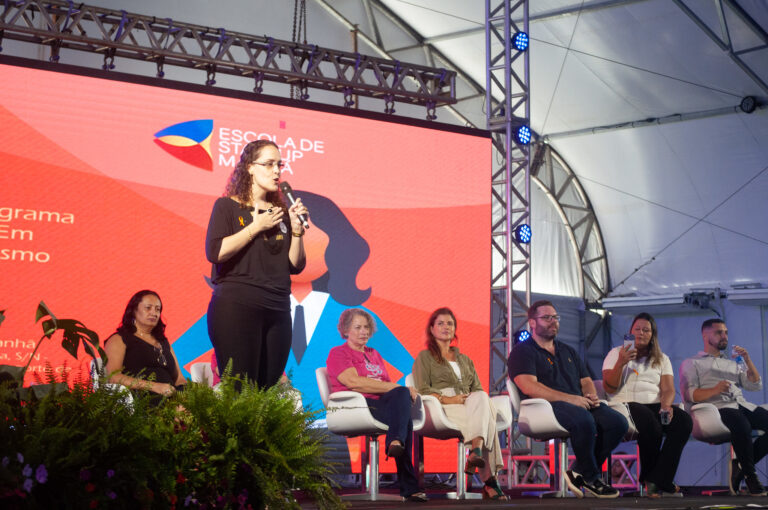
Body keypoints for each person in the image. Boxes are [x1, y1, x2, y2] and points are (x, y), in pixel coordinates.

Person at [205, 139, 308, 389]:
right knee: (240, 388)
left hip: (277, 308)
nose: (276, 171)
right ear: (250, 167)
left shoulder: (281, 213)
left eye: (279, 165)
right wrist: (255, 228)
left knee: (268, 387)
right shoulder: (227, 206)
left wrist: (296, 232)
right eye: (269, 164)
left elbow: (295, 265)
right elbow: (215, 252)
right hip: (237, 305)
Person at [508, 300, 627, 498]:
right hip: (545, 408)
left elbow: (586, 380)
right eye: (547, 317)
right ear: (532, 323)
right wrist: (572, 399)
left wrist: (590, 395)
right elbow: (529, 386)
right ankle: (591, 478)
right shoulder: (523, 351)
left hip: (577, 404)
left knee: (617, 423)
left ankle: (579, 471)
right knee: (584, 420)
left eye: (556, 317)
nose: (553, 321)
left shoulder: (567, 350)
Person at [325, 309, 427, 503]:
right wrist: (398, 388)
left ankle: (395, 443)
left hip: (380, 405)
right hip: (355, 406)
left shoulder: (374, 354)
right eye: (358, 327)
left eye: (366, 327)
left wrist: (399, 391)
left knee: (402, 400)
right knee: (404, 416)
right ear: (345, 330)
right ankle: (409, 485)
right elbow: (354, 383)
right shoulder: (338, 353)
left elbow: (387, 388)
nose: (364, 331)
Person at [412, 307, 507, 500]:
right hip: (439, 407)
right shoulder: (425, 357)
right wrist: (449, 399)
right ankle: (489, 480)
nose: (446, 327)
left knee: (481, 398)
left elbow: (478, 389)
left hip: (469, 403)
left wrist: (469, 399)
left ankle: (475, 452)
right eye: (440, 323)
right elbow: (422, 389)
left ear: (455, 329)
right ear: (431, 329)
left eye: (450, 323)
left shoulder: (466, 360)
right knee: (486, 418)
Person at [601, 312, 692, 497]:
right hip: (625, 405)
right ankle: (656, 480)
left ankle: (658, 478)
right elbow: (608, 387)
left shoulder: (662, 358)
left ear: (652, 335)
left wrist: (666, 406)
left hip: (655, 404)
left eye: (646, 330)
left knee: (684, 421)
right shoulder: (615, 353)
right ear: (630, 332)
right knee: (652, 424)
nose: (641, 333)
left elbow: (668, 389)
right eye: (637, 329)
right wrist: (621, 361)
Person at [680, 318, 768, 496]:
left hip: (741, 405)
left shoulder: (732, 362)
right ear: (705, 336)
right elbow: (689, 395)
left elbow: (754, 385)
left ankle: (741, 467)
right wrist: (714, 390)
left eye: (726, 332)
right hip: (715, 409)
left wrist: (747, 360)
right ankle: (750, 476)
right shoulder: (692, 362)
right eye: (719, 332)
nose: (724, 336)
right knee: (742, 424)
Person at [103, 290, 187, 401]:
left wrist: (185, 398)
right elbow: (113, 377)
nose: (154, 313)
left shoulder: (163, 341)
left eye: (158, 309)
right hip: (143, 400)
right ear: (134, 310)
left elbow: (179, 379)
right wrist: (155, 386)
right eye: (148, 308)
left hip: (172, 398)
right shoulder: (118, 339)